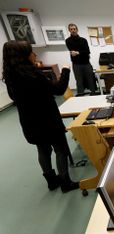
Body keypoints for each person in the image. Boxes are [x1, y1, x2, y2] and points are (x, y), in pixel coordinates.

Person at [2, 41, 79, 192]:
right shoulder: (34, 75)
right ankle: (65, 182)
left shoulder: (10, 76)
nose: (35, 54)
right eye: (31, 52)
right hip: (48, 119)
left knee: (43, 150)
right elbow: (58, 89)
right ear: (23, 56)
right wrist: (65, 71)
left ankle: (51, 181)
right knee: (60, 149)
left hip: (30, 122)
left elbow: (14, 97)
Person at [65, 23, 96, 96]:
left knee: (90, 79)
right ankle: (81, 95)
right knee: (79, 80)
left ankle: (93, 93)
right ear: (69, 30)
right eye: (71, 29)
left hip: (86, 63)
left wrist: (78, 52)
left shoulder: (83, 40)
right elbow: (72, 51)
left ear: (77, 30)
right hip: (76, 64)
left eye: (74, 29)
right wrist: (81, 52)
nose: (73, 30)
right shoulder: (68, 40)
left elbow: (87, 51)